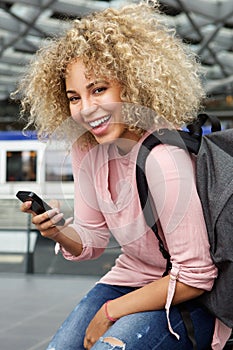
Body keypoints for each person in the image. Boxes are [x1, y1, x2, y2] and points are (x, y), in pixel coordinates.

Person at [13, 0, 230, 349]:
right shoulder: (86, 150)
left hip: (185, 295)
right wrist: (58, 231)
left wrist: (109, 312)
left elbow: (196, 276)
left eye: (99, 89)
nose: (86, 110)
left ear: (131, 86)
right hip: (129, 278)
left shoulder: (163, 157)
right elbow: (93, 242)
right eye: (73, 97)